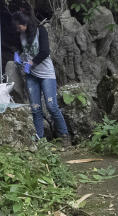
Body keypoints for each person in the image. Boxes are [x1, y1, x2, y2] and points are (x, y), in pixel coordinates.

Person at [12, 10, 70, 146]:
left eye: (18, 25)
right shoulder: (21, 34)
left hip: (46, 74)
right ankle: (39, 139)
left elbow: (45, 51)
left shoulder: (40, 30)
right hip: (31, 75)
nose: (17, 29)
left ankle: (65, 135)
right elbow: (20, 49)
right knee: (36, 108)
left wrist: (32, 62)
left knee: (51, 106)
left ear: (25, 22)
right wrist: (17, 55)